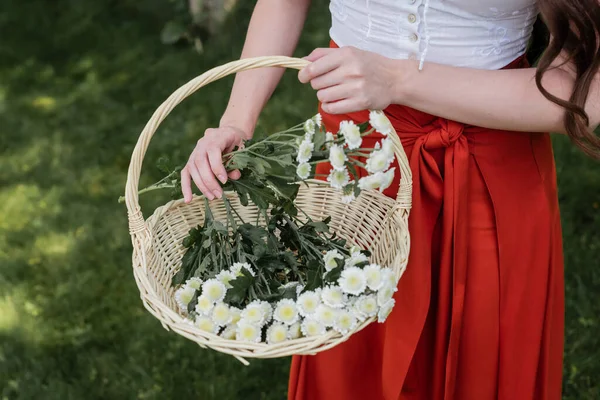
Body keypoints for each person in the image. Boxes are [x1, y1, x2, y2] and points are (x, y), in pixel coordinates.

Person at [180, 1, 600, 399]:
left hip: (490, 160)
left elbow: (588, 92)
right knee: (350, 345)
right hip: (354, 157)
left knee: (480, 351)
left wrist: (399, 80)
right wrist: (237, 119)